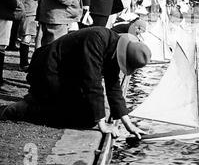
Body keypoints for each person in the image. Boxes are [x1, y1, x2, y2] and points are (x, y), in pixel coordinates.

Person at [0, 27, 151, 139]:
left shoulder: (113, 46)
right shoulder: (97, 39)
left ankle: (38, 101)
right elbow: (92, 83)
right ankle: (22, 109)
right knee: (83, 119)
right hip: (48, 71)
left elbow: (113, 86)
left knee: (87, 117)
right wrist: (103, 125)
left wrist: (128, 124)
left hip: (66, 75)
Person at [16, 0, 38, 71]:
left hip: (29, 8)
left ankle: (24, 63)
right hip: (28, 9)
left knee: (28, 35)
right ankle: (23, 63)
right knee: (27, 36)